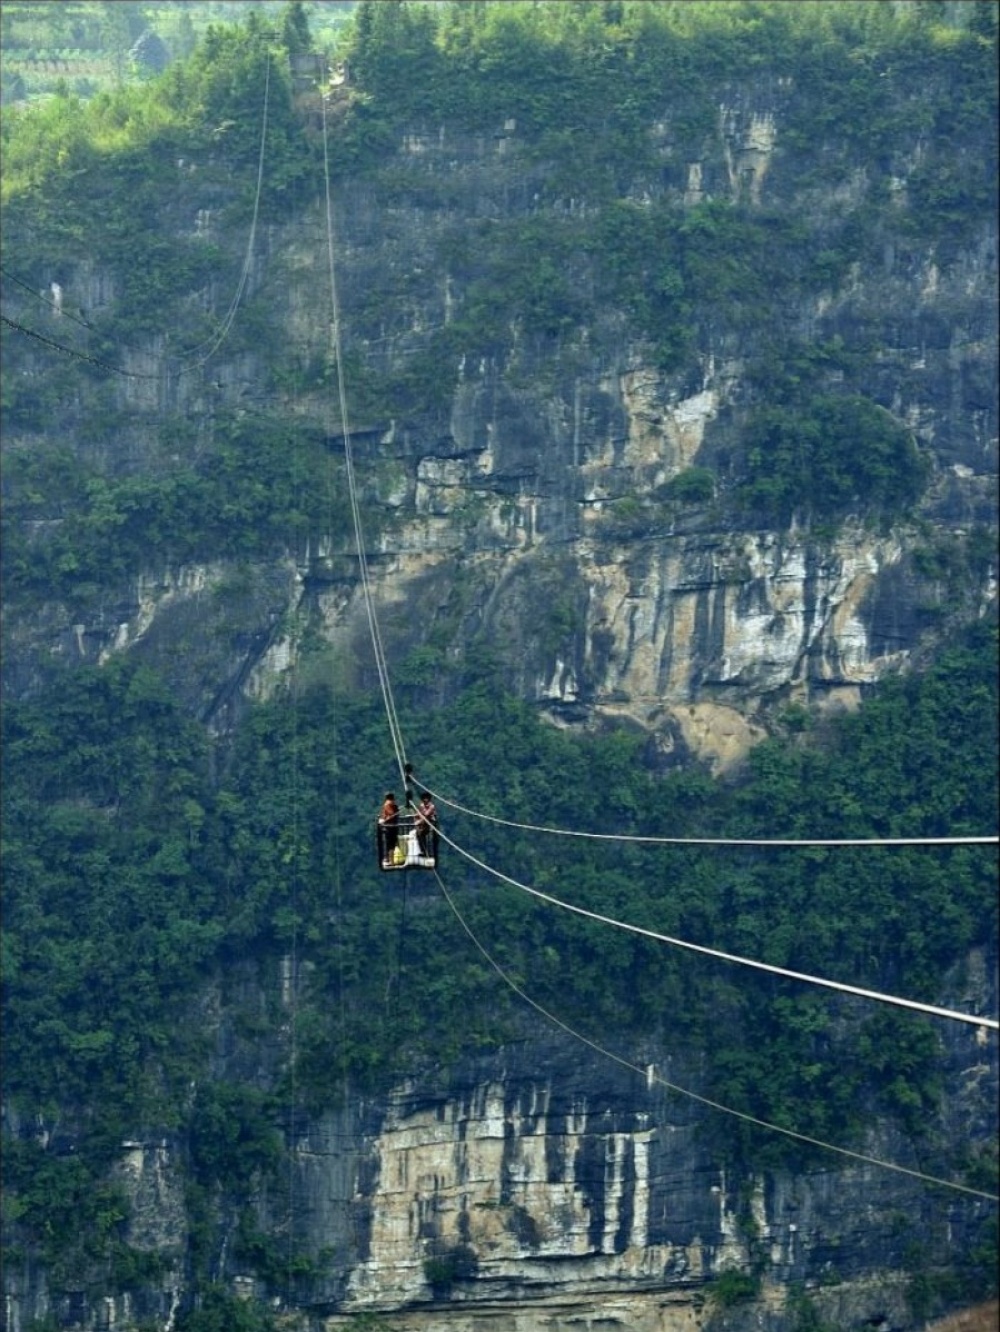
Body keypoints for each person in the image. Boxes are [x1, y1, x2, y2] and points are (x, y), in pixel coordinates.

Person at [415, 791, 438, 863]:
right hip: (423, 824)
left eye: (426, 798)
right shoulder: (422, 805)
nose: (425, 800)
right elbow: (419, 814)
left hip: (429, 824)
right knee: (419, 835)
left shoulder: (431, 806)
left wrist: (419, 820)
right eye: (424, 798)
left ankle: (424, 851)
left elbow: (426, 814)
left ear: (429, 799)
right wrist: (417, 818)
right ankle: (423, 851)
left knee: (421, 835)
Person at [378, 792, 399, 866]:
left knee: (389, 844)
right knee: (392, 844)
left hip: (389, 827)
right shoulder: (394, 805)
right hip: (394, 826)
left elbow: (391, 814)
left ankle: (390, 860)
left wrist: (384, 819)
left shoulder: (387, 804)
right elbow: (396, 814)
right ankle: (390, 860)